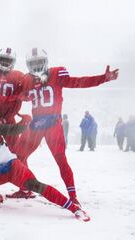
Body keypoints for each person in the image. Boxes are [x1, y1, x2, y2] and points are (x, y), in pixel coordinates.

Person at [7, 48, 119, 204]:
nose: (37, 66)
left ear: (45, 62)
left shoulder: (55, 74)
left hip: (53, 123)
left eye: (40, 62)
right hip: (36, 123)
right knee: (18, 156)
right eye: (34, 63)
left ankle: (73, 197)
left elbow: (79, 82)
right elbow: (17, 95)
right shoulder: (27, 80)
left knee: (60, 159)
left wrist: (103, 78)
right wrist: (14, 96)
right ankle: (26, 188)